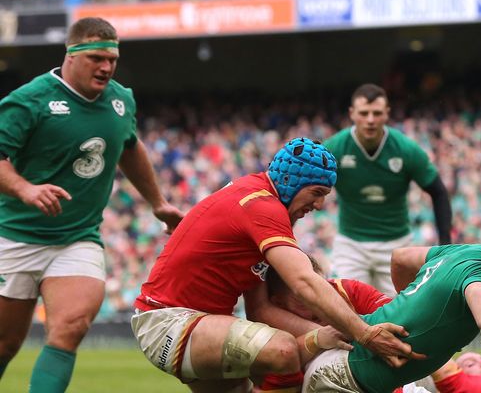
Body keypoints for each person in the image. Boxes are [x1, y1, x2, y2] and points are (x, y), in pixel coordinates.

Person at [131, 137, 421, 393]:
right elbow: (304, 282)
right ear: (293, 181)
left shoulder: (256, 200)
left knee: (276, 362)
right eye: (317, 192)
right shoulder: (263, 206)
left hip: (193, 324)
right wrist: (363, 334)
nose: (319, 205)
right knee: (282, 351)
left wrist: (334, 335)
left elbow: (260, 310)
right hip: (171, 323)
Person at [0, 17, 184, 392]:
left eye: (112, 59)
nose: (106, 67)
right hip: (14, 236)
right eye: (97, 58)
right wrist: (25, 189)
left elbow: (129, 147)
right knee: (5, 345)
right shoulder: (29, 101)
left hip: (77, 238)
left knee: (69, 327)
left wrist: (158, 202)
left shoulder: (121, 100)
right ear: (71, 55)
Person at [301, 208, 481, 393]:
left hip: (348, 370)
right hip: (343, 381)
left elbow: (401, 257)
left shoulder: (462, 252)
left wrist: (411, 305)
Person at [265, 258, 481, 393]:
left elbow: (403, 326)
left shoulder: (346, 291)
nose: (317, 299)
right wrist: (317, 340)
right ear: (279, 301)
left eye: (321, 287)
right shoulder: (269, 328)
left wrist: (452, 372)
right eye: (303, 296)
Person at [324, 83, 452, 296]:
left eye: (377, 113)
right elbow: (307, 184)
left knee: (399, 315)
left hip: (396, 246)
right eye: (364, 113)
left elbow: (438, 191)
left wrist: (445, 244)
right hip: (350, 245)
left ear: (387, 114)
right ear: (352, 114)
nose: (371, 119)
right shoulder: (334, 148)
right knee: (344, 307)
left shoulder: (406, 149)